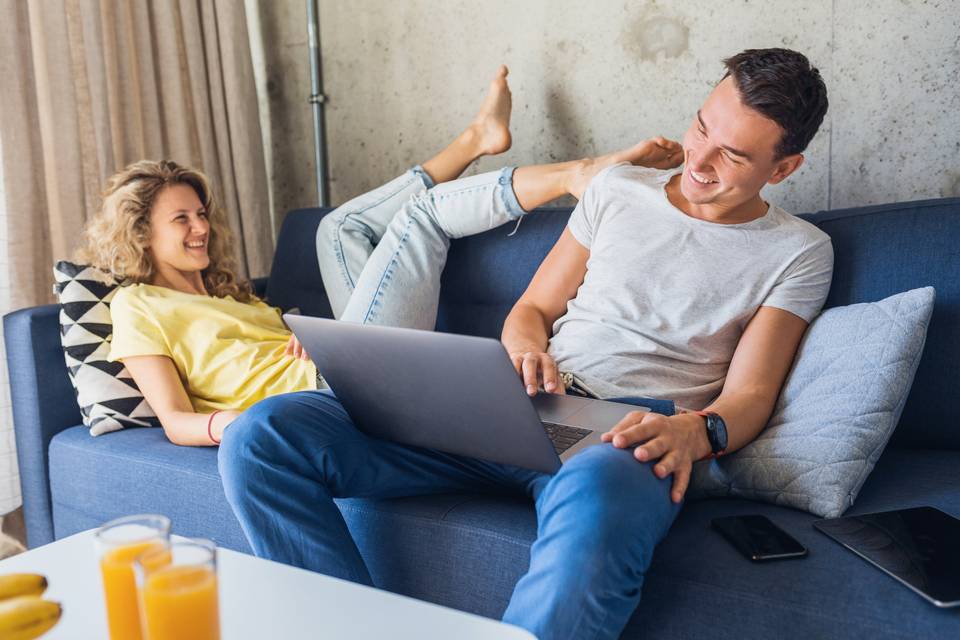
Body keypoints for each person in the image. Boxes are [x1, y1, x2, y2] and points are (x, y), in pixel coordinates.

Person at [218, 48, 833, 640]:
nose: (698, 161)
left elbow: (751, 392)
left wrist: (697, 432)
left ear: (782, 169)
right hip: (517, 401)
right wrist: (523, 350)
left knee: (599, 501)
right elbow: (532, 310)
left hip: (623, 435)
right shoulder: (619, 190)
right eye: (700, 130)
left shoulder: (797, 251)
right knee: (264, 435)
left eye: (731, 155)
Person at [76, 65, 680, 447]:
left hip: (341, 361)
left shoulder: (224, 293)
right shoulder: (136, 306)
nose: (201, 228)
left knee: (336, 231)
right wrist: (242, 425)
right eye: (180, 219)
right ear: (140, 233)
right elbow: (177, 422)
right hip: (329, 395)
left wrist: (310, 333)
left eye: (201, 214)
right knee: (423, 217)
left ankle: (478, 141)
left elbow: (273, 352)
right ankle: (577, 174)